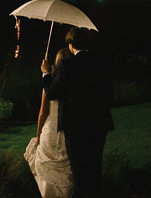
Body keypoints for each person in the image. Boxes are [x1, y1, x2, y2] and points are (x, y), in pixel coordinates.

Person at [41, 27, 114, 198]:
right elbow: (109, 96)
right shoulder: (101, 63)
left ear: (71, 45)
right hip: (98, 126)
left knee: (79, 176)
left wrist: (46, 73)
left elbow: (51, 92)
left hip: (76, 129)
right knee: (95, 173)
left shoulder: (68, 65)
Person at [25, 48, 74, 198]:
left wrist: (38, 134)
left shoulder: (49, 84)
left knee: (46, 173)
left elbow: (42, 113)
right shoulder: (74, 84)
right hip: (67, 131)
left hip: (50, 132)